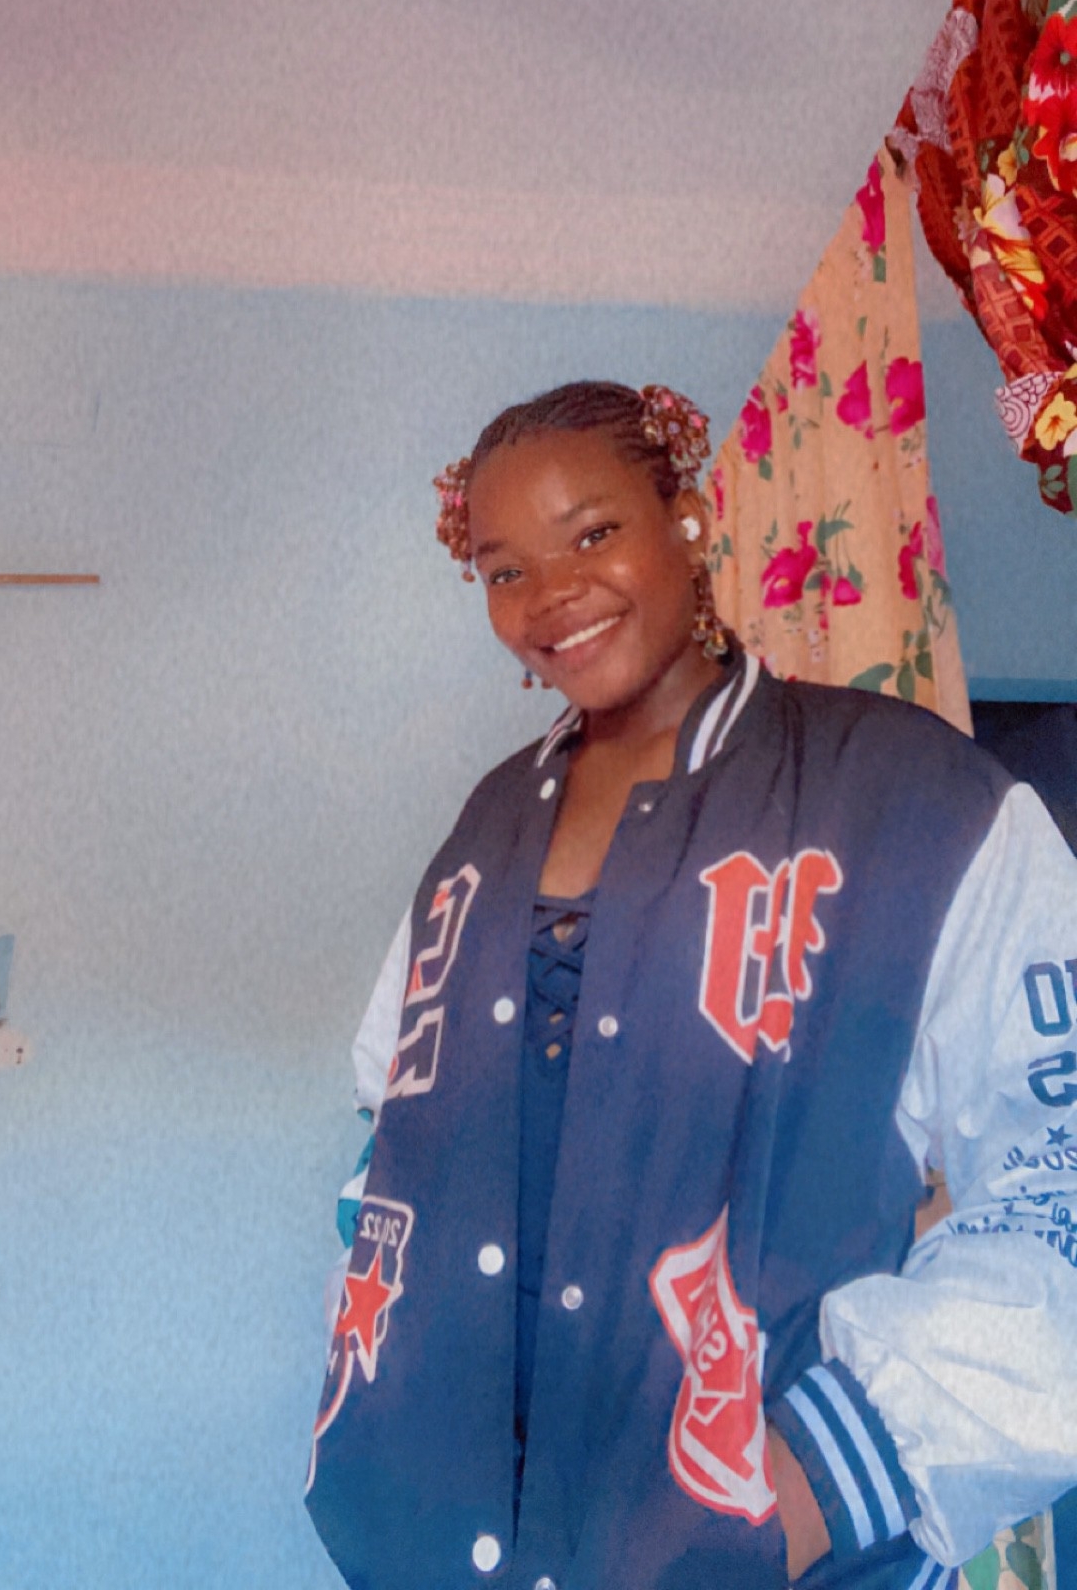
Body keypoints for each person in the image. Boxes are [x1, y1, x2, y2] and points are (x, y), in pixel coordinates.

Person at [305, 379, 1077, 1590]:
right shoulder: (487, 828)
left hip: (776, 1551)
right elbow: (390, 1124)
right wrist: (386, 1409)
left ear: (690, 516)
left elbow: (1060, 1176)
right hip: (452, 1546)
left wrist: (811, 1483)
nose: (552, 595)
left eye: (593, 534)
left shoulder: (912, 799)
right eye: (505, 570)